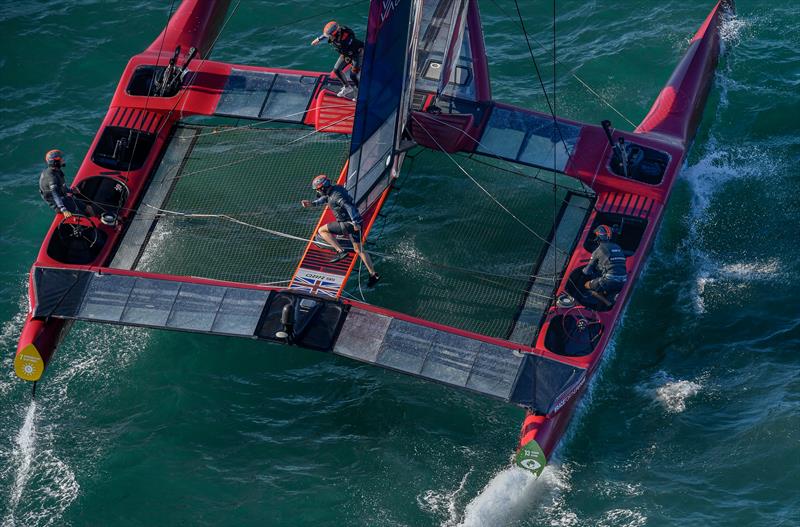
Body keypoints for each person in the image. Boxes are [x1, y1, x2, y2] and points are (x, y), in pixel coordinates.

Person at [301, 174, 380, 287]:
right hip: (355, 224)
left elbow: (349, 207)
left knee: (322, 230)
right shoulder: (336, 189)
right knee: (359, 250)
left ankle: (340, 251)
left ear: (322, 188)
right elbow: (326, 198)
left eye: (318, 189)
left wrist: (355, 222)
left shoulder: (336, 197)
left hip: (348, 224)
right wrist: (312, 203)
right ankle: (373, 274)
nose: (318, 191)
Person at [311, 21, 364, 100]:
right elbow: (327, 34)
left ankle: (360, 91)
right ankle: (347, 87)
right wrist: (318, 39)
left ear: (335, 34)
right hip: (346, 53)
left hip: (356, 53)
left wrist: (351, 61)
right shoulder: (336, 34)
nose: (328, 37)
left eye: (330, 36)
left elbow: (350, 52)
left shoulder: (346, 40)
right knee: (336, 70)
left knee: (353, 75)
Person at [38, 149, 92, 218]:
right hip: (59, 203)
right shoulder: (52, 178)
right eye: (61, 159)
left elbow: (62, 186)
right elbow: (55, 194)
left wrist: (71, 191)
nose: (63, 160)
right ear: (55, 162)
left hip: (62, 198)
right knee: (87, 211)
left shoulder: (56, 171)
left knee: (88, 208)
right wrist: (63, 210)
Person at [583, 225, 627, 302]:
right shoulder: (618, 247)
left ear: (598, 238)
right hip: (623, 280)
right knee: (605, 285)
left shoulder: (598, 250)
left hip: (609, 280)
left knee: (586, 285)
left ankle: (607, 303)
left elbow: (587, 272)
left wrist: (584, 270)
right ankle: (612, 297)